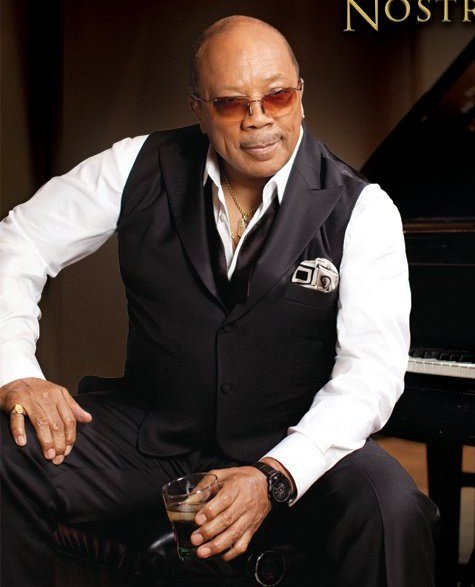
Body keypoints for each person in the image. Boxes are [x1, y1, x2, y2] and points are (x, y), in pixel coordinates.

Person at [0, 15, 438, 587]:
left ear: (300, 95)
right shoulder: (136, 165)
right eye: (232, 103)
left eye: (277, 96)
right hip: (151, 436)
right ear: (199, 109)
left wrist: (276, 474)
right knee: (6, 452)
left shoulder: (364, 209)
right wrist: (16, 370)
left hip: (292, 441)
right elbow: (19, 240)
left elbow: (370, 375)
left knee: (390, 506)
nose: (259, 118)